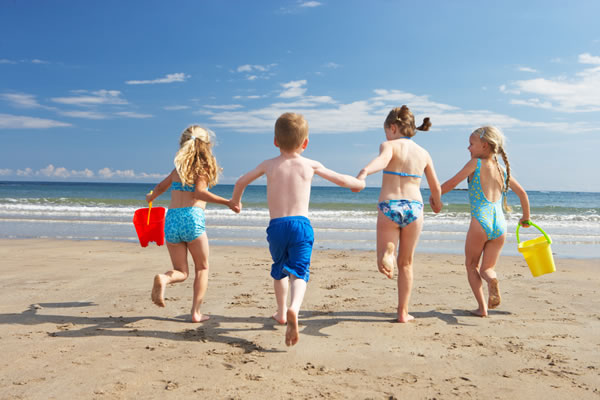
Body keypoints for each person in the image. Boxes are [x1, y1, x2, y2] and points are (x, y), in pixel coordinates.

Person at [231, 112, 365, 346]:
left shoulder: (268, 165)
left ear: (275, 141)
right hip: (301, 226)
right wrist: (359, 183)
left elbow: (241, 181)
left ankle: (281, 313)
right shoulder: (310, 164)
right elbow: (343, 180)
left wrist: (236, 201)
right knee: (300, 271)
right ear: (305, 143)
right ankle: (294, 308)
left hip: (276, 227)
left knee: (280, 268)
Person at [356, 105, 442, 323]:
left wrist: (365, 171)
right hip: (415, 208)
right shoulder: (423, 153)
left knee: (383, 257)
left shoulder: (389, 145)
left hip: (389, 206)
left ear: (392, 128)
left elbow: (382, 161)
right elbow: (435, 186)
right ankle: (403, 312)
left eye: (386, 131)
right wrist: (437, 202)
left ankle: (388, 251)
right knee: (406, 263)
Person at [147, 125, 239, 323]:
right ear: (207, 145)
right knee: (202, 268)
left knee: (181, 271)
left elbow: (160, 187)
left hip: (171, 220)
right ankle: (196, 313)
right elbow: (199, 193)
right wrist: (228, 202)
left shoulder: (177, 169)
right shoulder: (203, 167)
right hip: (192, 218)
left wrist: (152, 196)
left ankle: (165, 278)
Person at [440, 125, 530, 317]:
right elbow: (522, 193)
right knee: (487, 269)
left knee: (471, 265)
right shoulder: (501, 169)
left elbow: (452, 183)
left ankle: (482, 308)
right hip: (500, 226)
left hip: (480, 222)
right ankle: (492, 280)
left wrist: (434, 195)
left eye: (471, 144)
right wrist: (525, 218)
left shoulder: (475, 164)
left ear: (485, 146)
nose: (468, 148)